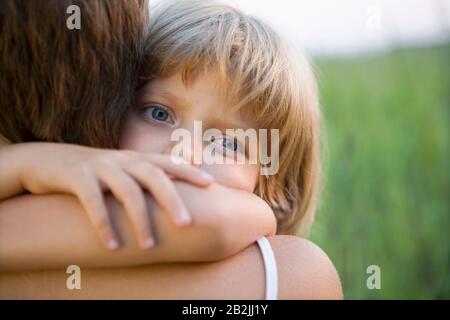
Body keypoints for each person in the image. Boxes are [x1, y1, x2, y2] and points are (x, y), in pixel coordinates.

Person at [0, 0, 342, 299]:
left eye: (226, 143)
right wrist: (30, 163)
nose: (183, 153)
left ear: (274, 187)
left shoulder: (291, 278)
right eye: (158, 113)